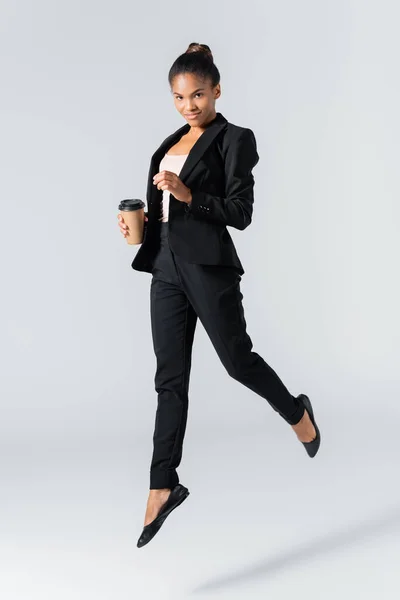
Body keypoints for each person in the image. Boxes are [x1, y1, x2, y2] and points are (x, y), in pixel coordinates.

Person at [117, 42, 321, 548]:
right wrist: (140, 229)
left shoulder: (235, 139)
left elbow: (240, 212)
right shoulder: (168, 143)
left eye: (198, 95)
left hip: (208, 270)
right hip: (164, 267)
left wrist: (190, 197)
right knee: (169, 380)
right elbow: (166, 212)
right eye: (180, 97)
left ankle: (296, 413)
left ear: (217, 91)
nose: (189, 105)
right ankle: (163, 483)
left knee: (237, 361)